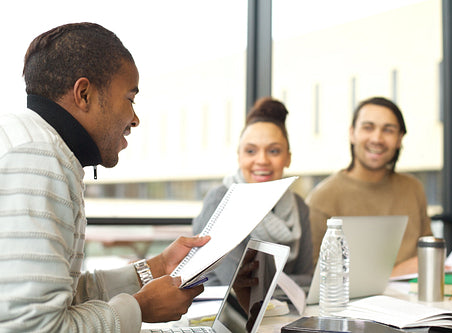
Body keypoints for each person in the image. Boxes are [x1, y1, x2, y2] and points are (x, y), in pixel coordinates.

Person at [0, 22, 210, 332]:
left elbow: (63, 297)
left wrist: (155, 267)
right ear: (84, 94)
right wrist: (141, 308)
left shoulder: (37, 144)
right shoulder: (37, 158)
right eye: (130, 98)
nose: (135, 119)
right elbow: (34, 327)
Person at [306, 96, 433, 277]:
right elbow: (317, 278)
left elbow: (428, 256)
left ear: (399, 139)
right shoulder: (323, 198)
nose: (377, 138)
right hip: (354, 304)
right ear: (352, 133)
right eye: (368, 127)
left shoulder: (413, 188)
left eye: (388, 130)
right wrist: (394, 273)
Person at [192, 97, 313, 286]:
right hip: (225, 312)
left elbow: (308, 279)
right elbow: (237, 282)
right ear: (239, 157)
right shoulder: (220, 200)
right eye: (250, 151)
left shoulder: (298, 206)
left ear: (288, 158)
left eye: (274, 151)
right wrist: (289, 284)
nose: (262, 160)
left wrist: (268, 282)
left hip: (284, 313)